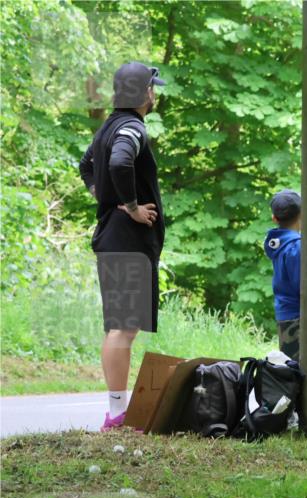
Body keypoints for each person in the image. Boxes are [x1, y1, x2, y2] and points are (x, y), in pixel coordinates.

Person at [79, 62, 166, 431]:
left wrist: (104, 196)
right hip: (126, 240)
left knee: (119, 326)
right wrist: (130, 207)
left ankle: (115, 411)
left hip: (113, 237)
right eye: (153, 87)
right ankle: (116, 415)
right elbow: (117, 162)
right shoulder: (131, 127)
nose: (155, 93)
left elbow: (86, 165)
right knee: (123, 328)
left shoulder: (108, 127)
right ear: (144, 93)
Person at [264, 189, 303, 361]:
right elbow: (302, 286)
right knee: (304, 373)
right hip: (299, 317)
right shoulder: (297, 247)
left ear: (274, 218)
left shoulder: (279, 244)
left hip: (285, 315)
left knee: (293, 371)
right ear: (302, 214)